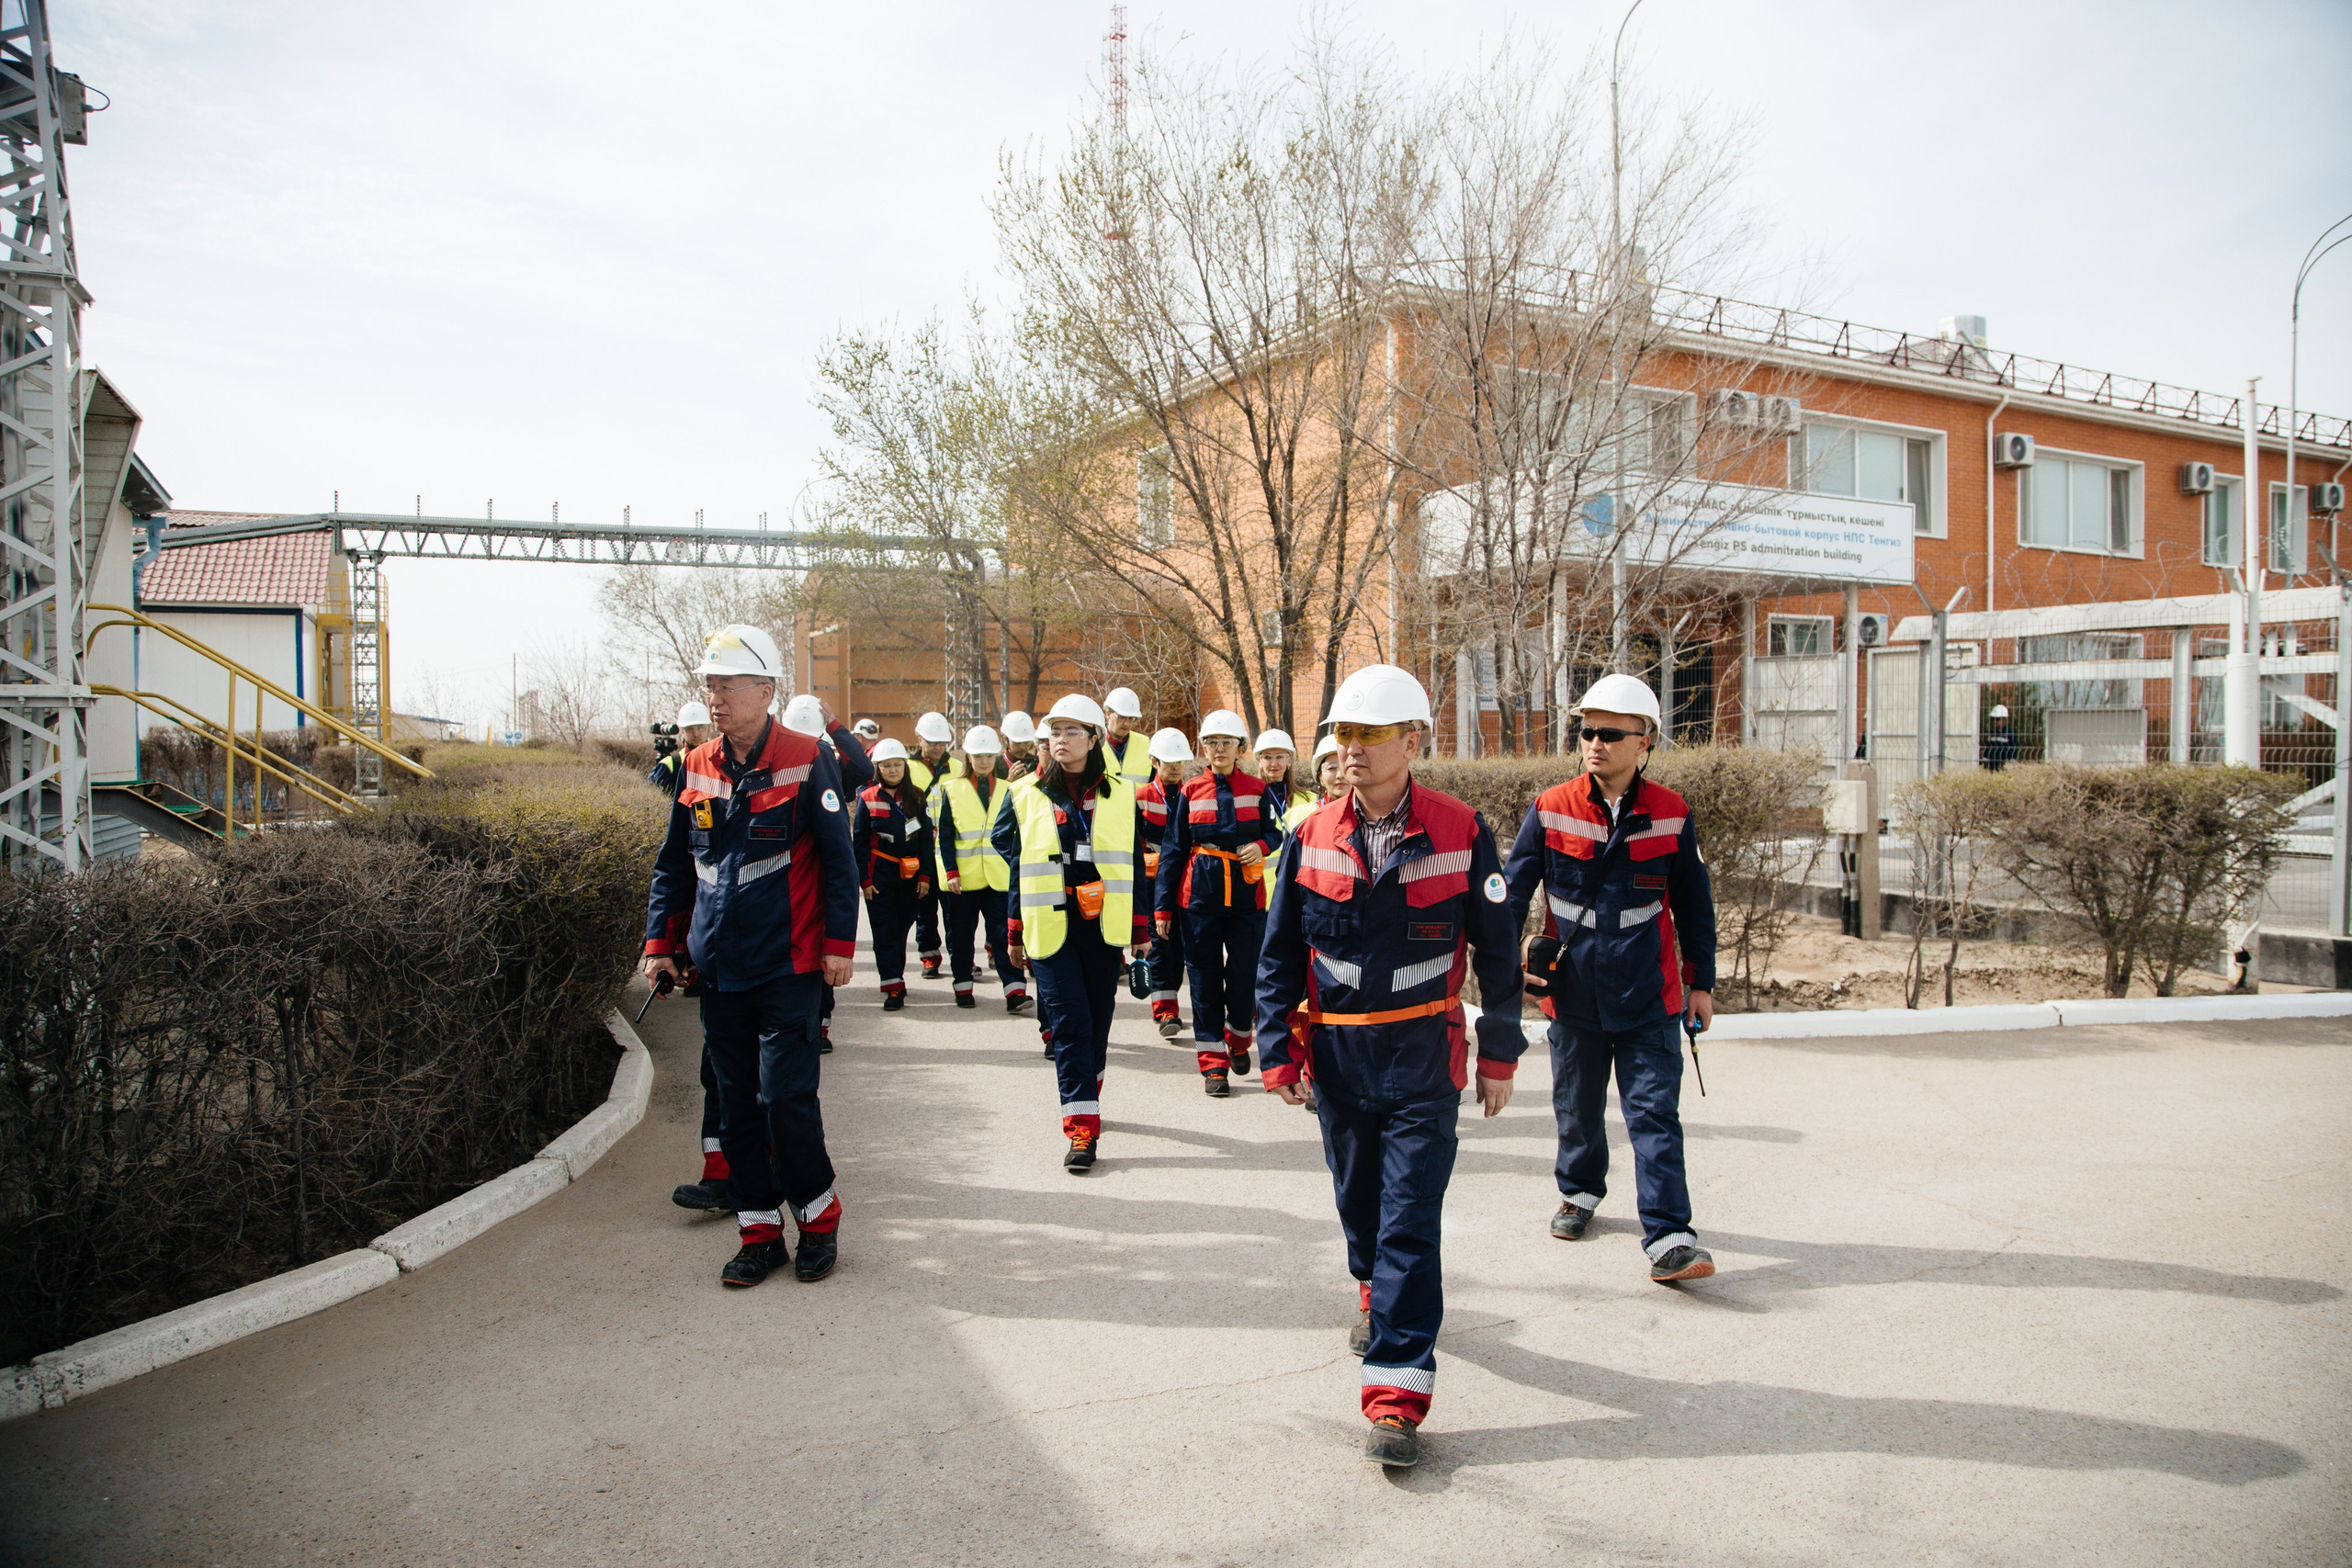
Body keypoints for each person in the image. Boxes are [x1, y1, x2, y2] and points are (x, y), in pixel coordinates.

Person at [1255, 663, 1525, 1468]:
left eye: (1370, 735)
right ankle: (1370, 1285)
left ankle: (1397, 1396)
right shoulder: (1308, 836)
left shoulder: (1462, 829)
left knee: (1411, 1218)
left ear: (1413, 740)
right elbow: (1278, 957)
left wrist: (1501, 1054)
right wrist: (1279, 1049)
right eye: (1343, 734)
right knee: (1360, 1202)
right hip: (1338, 1058)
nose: (1353, 749)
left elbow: (1500, 957)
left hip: (1422, 1061)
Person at [644, 624, 857, 1289]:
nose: (714, 694)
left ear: (764, 691)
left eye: (726, 683)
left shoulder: (804, 756)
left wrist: (838, 946)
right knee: (735, 1104)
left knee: (785, 1100)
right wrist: (662, 945)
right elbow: (677, 866)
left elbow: (838, 861)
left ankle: (818, 1222)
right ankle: (759, 1231)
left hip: (788, 966)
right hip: (720, 970)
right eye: (709, 683)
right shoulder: (698, 764)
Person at [1501, 671, 1719, 1288]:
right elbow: (1513, 893)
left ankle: (1671, 1235)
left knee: (1653, 1112)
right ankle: (1580, 1191)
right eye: (1586, 731)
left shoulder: (1673, 813)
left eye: (1609, 733)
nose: (1594, 742)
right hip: (1572, 993)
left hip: (1648, 991)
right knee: (1577, 1105)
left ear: (1644, 740)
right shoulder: (1550, 807)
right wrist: (1502, 970)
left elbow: (1695, 905)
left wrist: (1700, 982)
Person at [996, 694, 1151, 1172]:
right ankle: (1082, 1130)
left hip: (1102, 927)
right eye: (1054, 733)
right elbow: (1014, 856)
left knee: (1098, 1022)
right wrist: (1015, 931)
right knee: (1069, 1025)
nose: (1060, 741)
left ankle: (1088, 1091)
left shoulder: (1123, 794)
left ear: (1093, 738)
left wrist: (1140, 930)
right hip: (1050, 926)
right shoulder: (1025, 793)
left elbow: (1135, 864)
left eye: (1071, 732)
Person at [1157, 707, 1281, 1096]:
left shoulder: (1259, 790)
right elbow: (1173, 850)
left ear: (1241, 748)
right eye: (1211, 742)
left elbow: (1277, 835)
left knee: (1245, 976)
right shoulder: (1191, 791)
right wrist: (1162, 907)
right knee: (1204, 979)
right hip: (1199, 899)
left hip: (1247, 898)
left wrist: (1260, 847)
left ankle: (1239, 1039)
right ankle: (1213, 1066)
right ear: (1204, 749)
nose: (1218, 749)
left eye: (1226, 742)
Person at [784, 694, 870, 1054]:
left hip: (826, 861)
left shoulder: (828, 758)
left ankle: (820, 1025)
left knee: (822, 942)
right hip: (793, 863)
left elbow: (864, 770)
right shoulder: (781, 759)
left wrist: (835, 727)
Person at [932, 726, 1029, 1014]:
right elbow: (945, 836)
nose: (984, 761)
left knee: (1003, 935)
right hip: (964, 879)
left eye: (989, 755)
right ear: (968, 758)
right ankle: (962, 986)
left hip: (999, 877)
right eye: (978, 756)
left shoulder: (1009, 786)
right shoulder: (952, 788)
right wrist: (951, 871)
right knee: (961, 936)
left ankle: (1015, 991)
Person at [853, 739, 933, 1012]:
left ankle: (895, 976)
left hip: (910, 875)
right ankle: (893, 987)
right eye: (887, 765)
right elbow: (860, 843)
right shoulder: (867, 797)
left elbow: (925, 840)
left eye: (898, 764)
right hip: (880, 876)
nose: (893, 769)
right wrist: (865, 881)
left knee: (901, 930)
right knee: (885, 932)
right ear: (878, 768)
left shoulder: (918, 797)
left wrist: (924, 876)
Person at [1136, 727, 1195, 1037]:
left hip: (1187, 884)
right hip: (1152, 886)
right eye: (1168, 761)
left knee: (1183, 948)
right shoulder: (1141, 798)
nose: (1174, 767)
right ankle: (1166, 1012)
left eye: (1179, 762)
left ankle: (1174, 1003)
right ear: (1154, 761)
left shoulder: (1195, 795)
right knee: (1160, 947)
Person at [909, 711, 957, 977]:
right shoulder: (907, 767)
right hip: (921, 846)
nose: (938, 747)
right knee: (924, 905)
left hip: (951, 847)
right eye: (932, 742)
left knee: (955, 910)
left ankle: (961, 956)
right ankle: (929, 956)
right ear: (919, 740)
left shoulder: (959, 768)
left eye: (942, 742)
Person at [648, 700, 712, 796]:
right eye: (690, 728)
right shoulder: (669, 765)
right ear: (682, 731)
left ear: (709, 730)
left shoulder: (721, 761)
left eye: (701, 727)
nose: (696, 734)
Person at [1102, 686, 1154, 787]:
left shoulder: (1146, 744)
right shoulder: (1092, 743)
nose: (1126, 724)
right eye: (1121, 717)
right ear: (1108, 714)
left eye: (1131, 719)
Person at [1001, 710, 1040, 780]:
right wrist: (1009, 782)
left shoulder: (1038, 763)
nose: (1022, 747)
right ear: (1006, 740)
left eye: (1026, 742)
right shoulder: (992, 766)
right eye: (1017, 742)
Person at [1982, 703, 2018, 772]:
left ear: (2004, 719)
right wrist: (1985, 758)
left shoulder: (2009, 733)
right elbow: (1988, 748)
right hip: (1991, 766)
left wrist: (2011, 762)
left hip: (2003, 767)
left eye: (1997, 719)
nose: (1995, 721)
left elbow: (2014, 749)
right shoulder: (1992, 733)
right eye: (1993, 719)